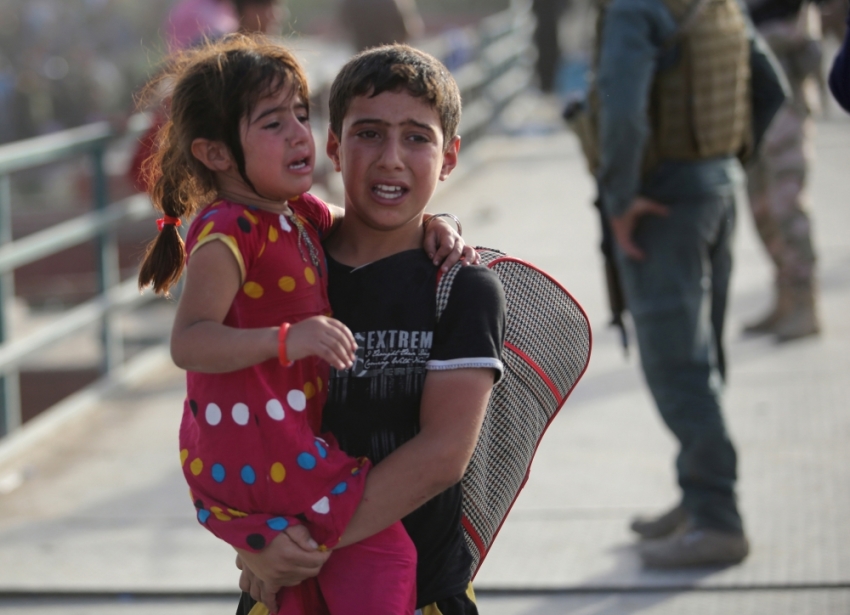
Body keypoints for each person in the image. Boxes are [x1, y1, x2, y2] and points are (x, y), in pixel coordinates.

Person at [136, 34, 473, 614]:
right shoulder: (227, 231)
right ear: (216, 154)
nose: (298, 134)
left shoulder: (294, 216)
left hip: (291, 461)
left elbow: (362, 221)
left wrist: (433, 222)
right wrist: (289, 341)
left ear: (448, 156)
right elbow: (188, 341)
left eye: (301, 113)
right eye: (272, 123)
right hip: (272, 453)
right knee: (387, 565)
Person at [235, 44, 507, 614]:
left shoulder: (459, 289)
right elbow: (238, 416)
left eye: (416, 137)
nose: (390, 158)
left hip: (418, 591)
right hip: (284, 585)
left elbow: (441, 455)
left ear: (449, 156)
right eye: (368, 133)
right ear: (332, 145)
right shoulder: (282, 268)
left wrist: (302, 540)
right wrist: (252, 536)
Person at [590, 0, 786, 567]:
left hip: (662, 204)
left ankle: (717, 518)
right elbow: (771, 88)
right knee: (702, 356)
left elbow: (622, 113)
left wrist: (622, 199)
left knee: (678, 365)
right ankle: (697, 493)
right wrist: (723, 165)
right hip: (713, 191)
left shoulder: (634, 9)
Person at [743, 0, 823, 341]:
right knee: (761, 206)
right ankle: (785, 297)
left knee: (787, 206)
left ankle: (806, 303)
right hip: (754, 104)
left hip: (786, 104)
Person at [337, 0, 424, 51]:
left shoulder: (350, 2)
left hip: (362, 59)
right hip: (388, 57)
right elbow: (409, 30)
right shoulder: (393, 2)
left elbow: (343, 26)